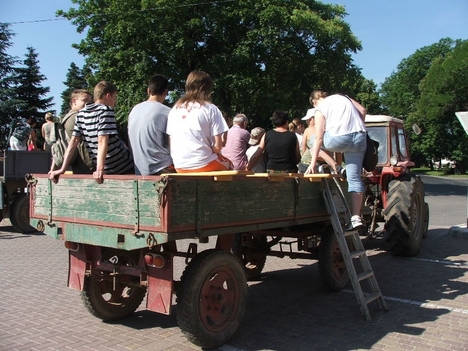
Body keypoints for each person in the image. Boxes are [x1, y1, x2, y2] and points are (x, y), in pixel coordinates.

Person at [49, 81, 134, 184]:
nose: (114, 102)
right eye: (114, 98)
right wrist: (99, 170)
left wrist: (62, 169)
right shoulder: (105, 110)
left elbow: (73, 142)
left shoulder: (81, 114)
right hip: (125, 166)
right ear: (107, 96)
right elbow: (102, 140)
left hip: (108, 170)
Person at [306, 90, 367, 230]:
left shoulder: (319, 109)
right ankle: (356, 217)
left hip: (339, 140)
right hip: (359, 138)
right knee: (354, 179)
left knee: (312, 139)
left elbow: (320, 138)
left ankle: (335, 166)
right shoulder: (344, 97)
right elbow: (363, 111)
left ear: (315, 102)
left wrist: (313, 162)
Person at [166, 70, 233, 173]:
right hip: (203, 164)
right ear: (207, 89)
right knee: (230, 165)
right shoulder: (211, 109)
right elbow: (217, 147)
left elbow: (171, 143)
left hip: (180, 165)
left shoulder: (174, 109)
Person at [128, 74, 175, 175]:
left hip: (139, 170)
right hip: (162, 168)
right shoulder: (168, 112)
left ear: (148, 90)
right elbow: (174, 144)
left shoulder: (134, 110)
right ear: (165, 92)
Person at [53, 89, 95, 174]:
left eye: (90, 101)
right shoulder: (77, 117)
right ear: (74, 101)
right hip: (88, 166)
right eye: (85, 100)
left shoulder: (65, 118)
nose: (88, 104)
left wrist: (53, 168)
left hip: (80, 167)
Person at [298, 108, 340, 174]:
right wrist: (338, 167)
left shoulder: (308, 130)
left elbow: (303, 150)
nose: (308, 122)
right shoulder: (330, 129)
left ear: (314, 118)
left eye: (308, 120)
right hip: (328, 165)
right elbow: (338, 150)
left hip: (308, 164)